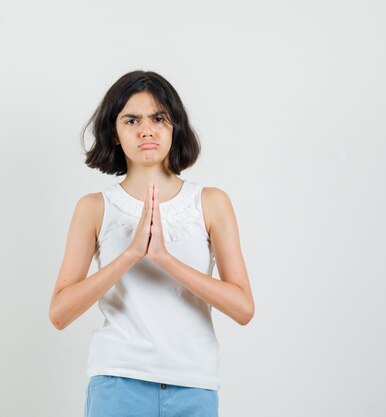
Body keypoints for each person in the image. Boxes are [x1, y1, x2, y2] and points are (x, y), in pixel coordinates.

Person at [48, 70, 254, 417]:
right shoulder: (95, 208)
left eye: (158, 118)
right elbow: (59, 313)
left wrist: (163, 257)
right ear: (114, 132)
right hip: (117, 383)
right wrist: (130, 254)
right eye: (131, 120)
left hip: (193, 384)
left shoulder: (211, 202)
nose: (146, 129)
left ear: (175, 127)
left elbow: (243, 308)